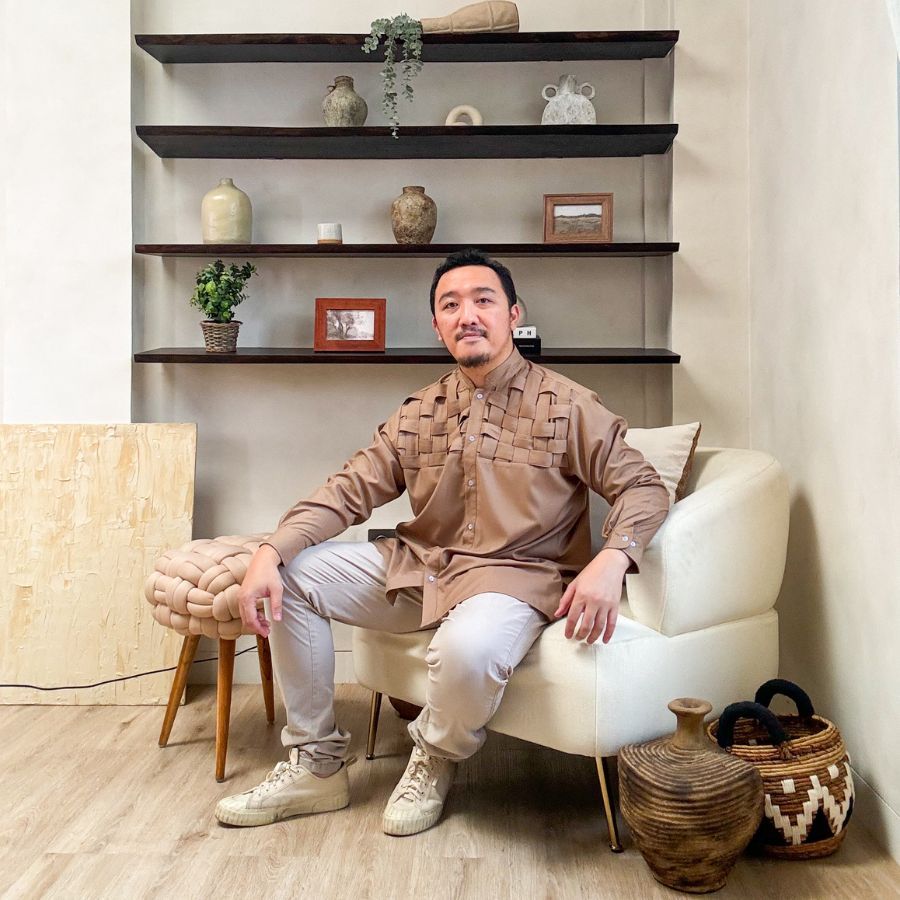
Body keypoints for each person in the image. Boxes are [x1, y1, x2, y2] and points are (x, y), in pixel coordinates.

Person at [215, 248, 670, 835]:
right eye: (450, 305)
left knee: (469, 650)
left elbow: (643, 486)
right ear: (437, 325)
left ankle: (434, 757)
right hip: (422, 566)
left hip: (515, 577)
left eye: (483, 300)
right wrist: (270, 552)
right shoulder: (419, 412)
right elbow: (348, 489)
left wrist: (612, 558)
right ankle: (315, 765)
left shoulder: (569, 405)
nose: (468, 315)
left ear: (513, 315)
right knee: (294, 575)